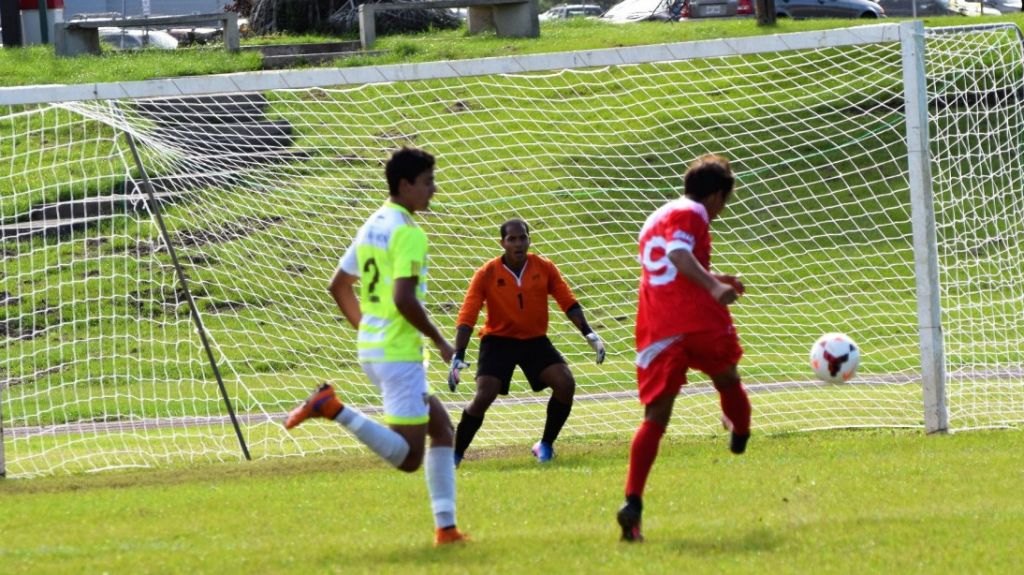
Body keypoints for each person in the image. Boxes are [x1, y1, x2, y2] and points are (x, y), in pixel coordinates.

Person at [284, 147, 468, 547]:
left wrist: (370, 330)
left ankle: (447, 528)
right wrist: (440, 340)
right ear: (405, 184)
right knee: (410, 458)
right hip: (398, 354)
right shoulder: (408, 232)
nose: (434, 190)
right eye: (428, 182)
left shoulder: (373, 224)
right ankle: (332, 408)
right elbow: (404, 299)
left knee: (441, 428)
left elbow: (339, 285)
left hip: (374, 347)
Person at [616, 154, 751, 543]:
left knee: (655, 418)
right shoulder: (694, 212)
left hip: (657, 325)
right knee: (727, 378)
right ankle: (740, 434)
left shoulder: (656, 217)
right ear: (717, 195)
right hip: (696, 319)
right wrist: (713, 286)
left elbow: (669, 265)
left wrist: (713, 275)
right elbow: (677, 254)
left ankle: (632, 503)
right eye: (725, 201)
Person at [447, 218, 606, 466]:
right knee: (484, 395)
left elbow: (567, 301)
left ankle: (545, 445)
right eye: (512, 239)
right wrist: (459, 353)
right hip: (498, 341)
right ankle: (454, 454)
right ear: (502, 243)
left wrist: (588, 333)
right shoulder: (487, 273)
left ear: (529, 240)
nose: (518, 243)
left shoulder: (544, 267)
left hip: (534, 341)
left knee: (565, 383)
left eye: (522, 238)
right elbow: (468, 314)